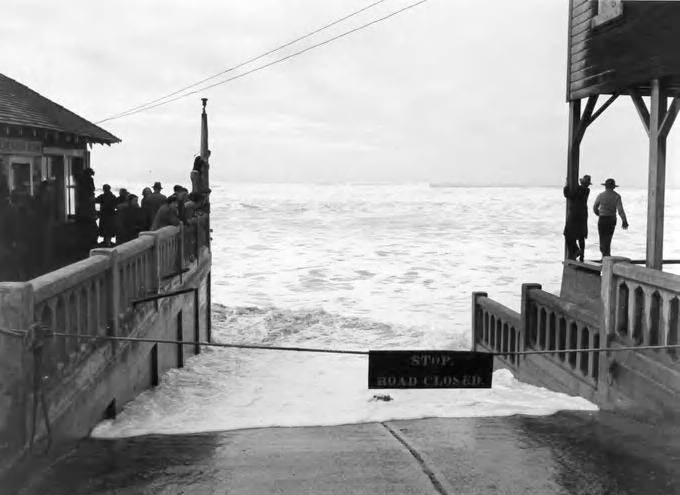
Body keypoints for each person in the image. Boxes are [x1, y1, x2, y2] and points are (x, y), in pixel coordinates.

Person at [593, 178, 628, 259]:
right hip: (611, 219)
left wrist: (599, 214)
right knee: (608, 239)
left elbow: (595, 207)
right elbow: (620, 210)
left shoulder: (601, 195)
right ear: (613, 187)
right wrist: (624, 220)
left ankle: (604, 256)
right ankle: (606, 256)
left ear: (605, 186)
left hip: (602, 219)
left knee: (602, 238)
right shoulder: (617, 196)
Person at [563, 174, 591, 261]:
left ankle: (575, 251)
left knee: (567, 233)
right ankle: (581, 254)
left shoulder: (579, 189)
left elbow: (568, 195)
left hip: (574, 213)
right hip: (583, 214)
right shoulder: (587, 190)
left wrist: (566, 185)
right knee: (581, 235)